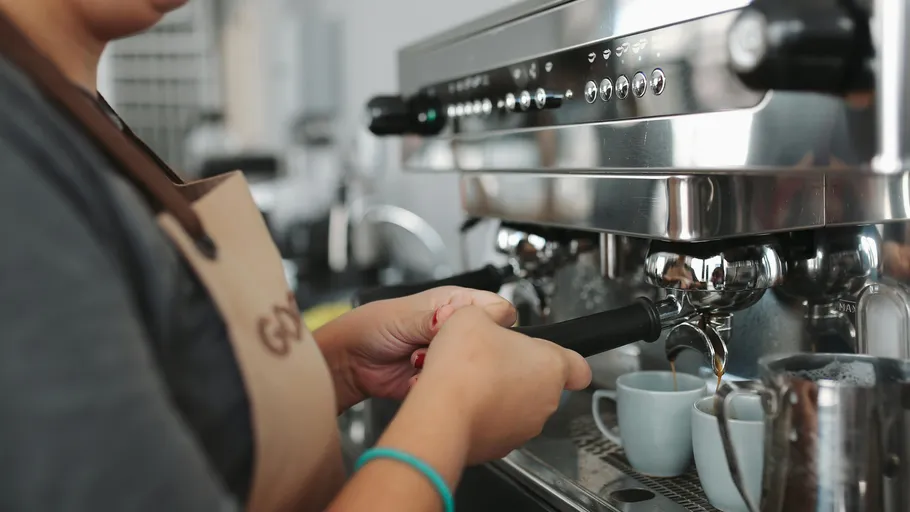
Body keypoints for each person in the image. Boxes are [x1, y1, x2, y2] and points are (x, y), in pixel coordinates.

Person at [0, 1, 592, 511]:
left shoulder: (69, 107)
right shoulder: (17, 157)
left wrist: (333, 365)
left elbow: (170, 412)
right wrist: (453, 412)